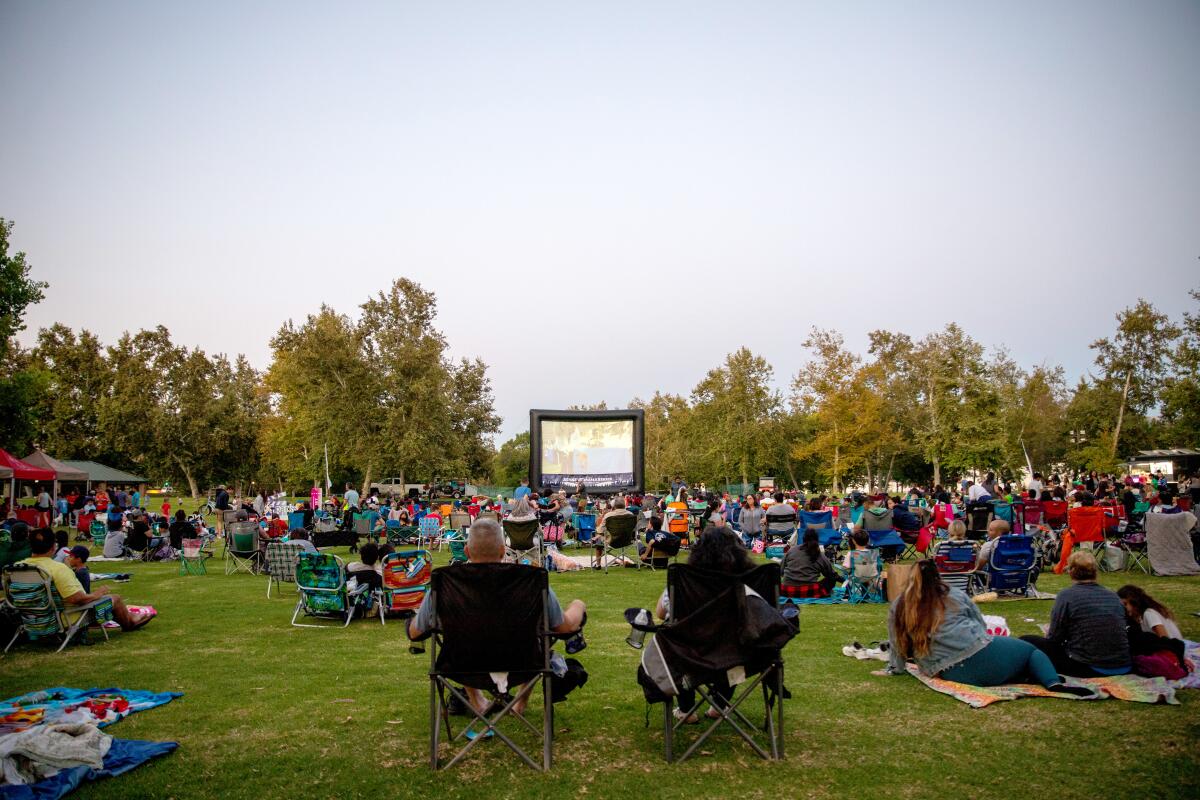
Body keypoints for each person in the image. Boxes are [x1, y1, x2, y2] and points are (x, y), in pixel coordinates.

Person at [407, 519, 586, 715]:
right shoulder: (530, 581)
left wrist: (411, 622)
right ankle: (519, 702)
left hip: (461, 665)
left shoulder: (446, 582)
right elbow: (564, 628)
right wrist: (578, 605)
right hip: (524, 663)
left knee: (465, 636)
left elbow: (415, 633)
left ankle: (477, 700)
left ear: (467, 551)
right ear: (502, 551)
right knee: (539, 640)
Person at [881, 559, 1098, 696]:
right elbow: (980, 625)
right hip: (978, 653)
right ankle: (1053, 684)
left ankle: (1031, 676)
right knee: (1030, 649)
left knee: (1016, 660)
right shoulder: (953, 595)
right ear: (938, 576)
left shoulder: (900, 604)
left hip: (948, 673)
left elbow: (896, 642)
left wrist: (896, 668)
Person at [653, 527, 763, 722]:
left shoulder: (685, 579)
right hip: (739, 657)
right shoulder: (752, 580)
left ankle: (686, 709)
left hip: (690, 655)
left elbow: (661, 614)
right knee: (736, 646)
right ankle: (720, 705)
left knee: (672, 644)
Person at [1020, 551, 1131, 677]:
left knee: (1026, 641)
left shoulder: (1067, 596)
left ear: (1071, 571)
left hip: (1087, 665)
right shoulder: (1113, 596)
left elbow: (1055, 638)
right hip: (1122, 664)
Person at [20, 528, 153, 631]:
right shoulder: (57, 569)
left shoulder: (18, 568)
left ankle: (131, 616)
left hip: (30, 619)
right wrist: (97, 594)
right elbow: (76, 599)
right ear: (53, 547)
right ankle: (129, 623)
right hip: (64, 618)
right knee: (115, 598)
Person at [781, 528, 839, 598]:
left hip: (787, 591)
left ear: (803, 539)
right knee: (831, 579)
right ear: (817, 540)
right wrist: (844, 580)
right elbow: (831, 574)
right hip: (810, 591)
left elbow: (781, 570)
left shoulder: (792, 550)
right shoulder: (820, 555)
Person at [594, 497, 635, 568]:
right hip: (627, 541)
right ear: (624, 505)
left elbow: (600, 530)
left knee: (599, 538)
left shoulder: (609, 515)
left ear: (614, 506)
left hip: (612, 541)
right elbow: (634, 529)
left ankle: (598, 564)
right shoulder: (631, 515)